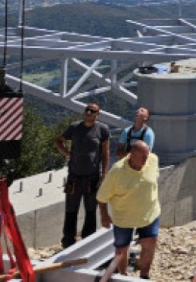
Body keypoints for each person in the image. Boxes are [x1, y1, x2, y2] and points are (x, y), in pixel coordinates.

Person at [97, 140, 160, 280]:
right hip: (124, 218)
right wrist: (104, 216)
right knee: (122, 248)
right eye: (142, 156)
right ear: (131, 155)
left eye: (147, 155)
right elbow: (102, 197)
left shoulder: (153, 160)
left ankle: (144, 276)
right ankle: (123, 276)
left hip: (149, 213)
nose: (146, 159)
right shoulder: (117, 172)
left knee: (150, 243)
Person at [54, 102, 110, 248]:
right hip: (74, 177)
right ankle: (68, 242)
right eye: (87, 110)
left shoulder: (102, 129)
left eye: (92, 111)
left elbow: (105, 153)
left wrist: (104, 173)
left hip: (92, 177)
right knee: (71, 210)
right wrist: (67, 154)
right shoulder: (74, 127)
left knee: (91, 211)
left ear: (98, 115)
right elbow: (58, 141)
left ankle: (88, 242)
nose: (88, 112)